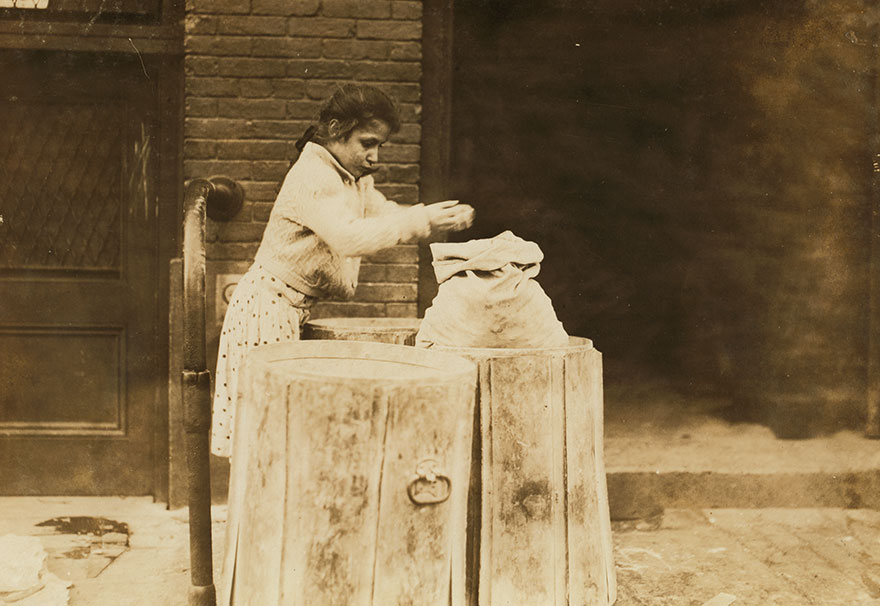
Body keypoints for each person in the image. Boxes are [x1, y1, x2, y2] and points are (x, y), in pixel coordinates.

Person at [210, 83, 473, 458]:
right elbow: (348, 238)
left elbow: (383, 214)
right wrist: (419, 220)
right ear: (335, 129)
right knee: (263, 433)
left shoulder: (351, 178)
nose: (374, 157)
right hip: (264, 310)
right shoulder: (312, 175)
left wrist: (432, 218)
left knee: (278, 430)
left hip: (287, 310)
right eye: (367, 143)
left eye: (379, 146)